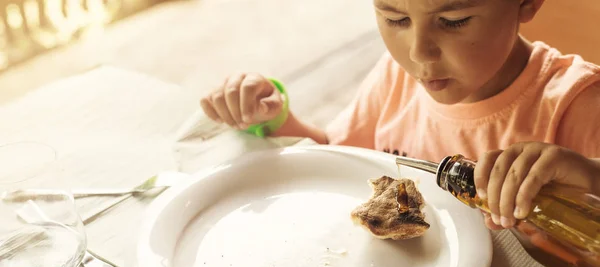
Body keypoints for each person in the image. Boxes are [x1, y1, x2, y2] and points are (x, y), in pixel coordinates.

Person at [199, 0, 600, 231]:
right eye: (395, 19)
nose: (418, 52)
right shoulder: (398, 77)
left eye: (453, 21)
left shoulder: (577, 103)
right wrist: (274, 119)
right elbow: (336, 156)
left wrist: (588, 174)